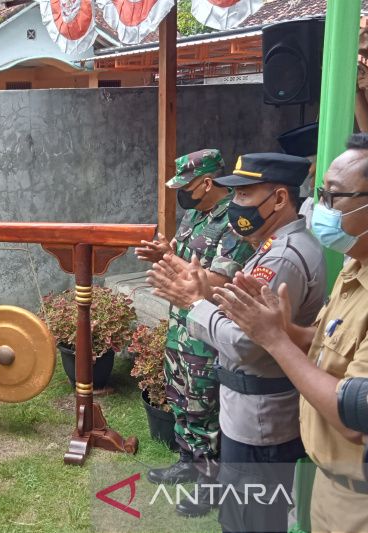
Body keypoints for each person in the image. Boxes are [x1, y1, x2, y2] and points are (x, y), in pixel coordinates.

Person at [148, 152, 326, 533]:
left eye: (245, 195)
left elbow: (250, 343)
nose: (237, 205)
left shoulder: (283, 257)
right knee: (244, 512)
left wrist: (194, 304)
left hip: (261, 414)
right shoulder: (271, 246)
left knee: (252, 518)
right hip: (249, 409)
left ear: (279, 199)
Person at [213, 135, 368, 533]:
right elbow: (326, 341)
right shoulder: (355, 269)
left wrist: (274, 338)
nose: (320, 208)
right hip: (331, 486)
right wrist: (290, 331)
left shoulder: (287, 253)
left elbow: (356, 413)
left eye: (334, 197)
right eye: (320, 193)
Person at [135, 149, 253, 517]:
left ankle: (210, 484)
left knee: (204, 405)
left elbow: (216, 280)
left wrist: (172, 263)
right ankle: (187, 461)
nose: (180, 194)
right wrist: (164, 253)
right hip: (180, 328)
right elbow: (185, 256)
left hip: (207, 331)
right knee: (181, 398)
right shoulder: (193, 214)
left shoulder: (234, 221)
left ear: (206, 183)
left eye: (185, 186)